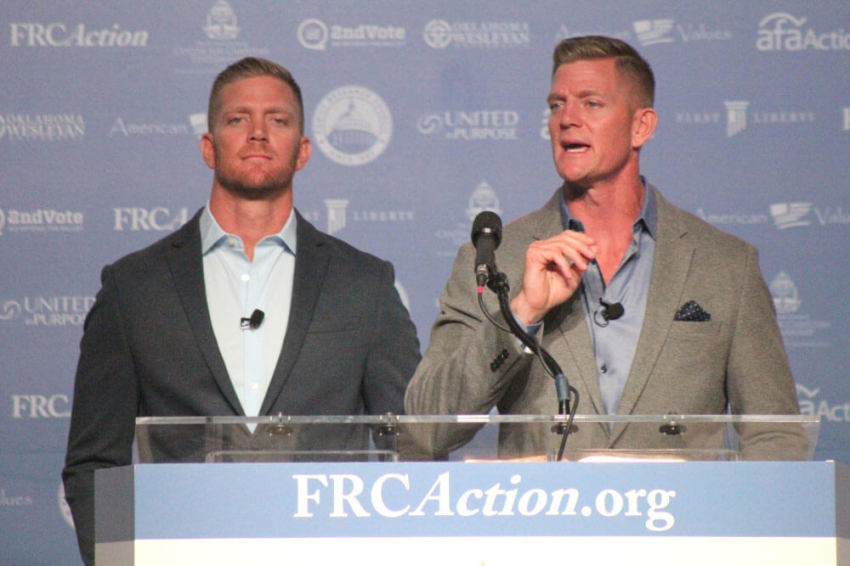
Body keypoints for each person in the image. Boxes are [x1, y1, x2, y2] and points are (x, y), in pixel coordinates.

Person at [63, 57, 420, 565]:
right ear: (209, 147)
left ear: (303, 151)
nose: (257, 133)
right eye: (238, 119)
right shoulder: (132, 288)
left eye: (277, 120)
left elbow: (409, 447)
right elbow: (95, 465)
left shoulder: (365, 283)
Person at [405, 36, 804, 460]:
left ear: (641, 126)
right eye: (557, 104)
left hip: (681, 523)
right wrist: (521, 314)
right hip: (544, 522)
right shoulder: (496, 259)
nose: (567, 119)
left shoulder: (726, 265)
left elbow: (775, 435)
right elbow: (425, 428)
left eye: (591, 103)